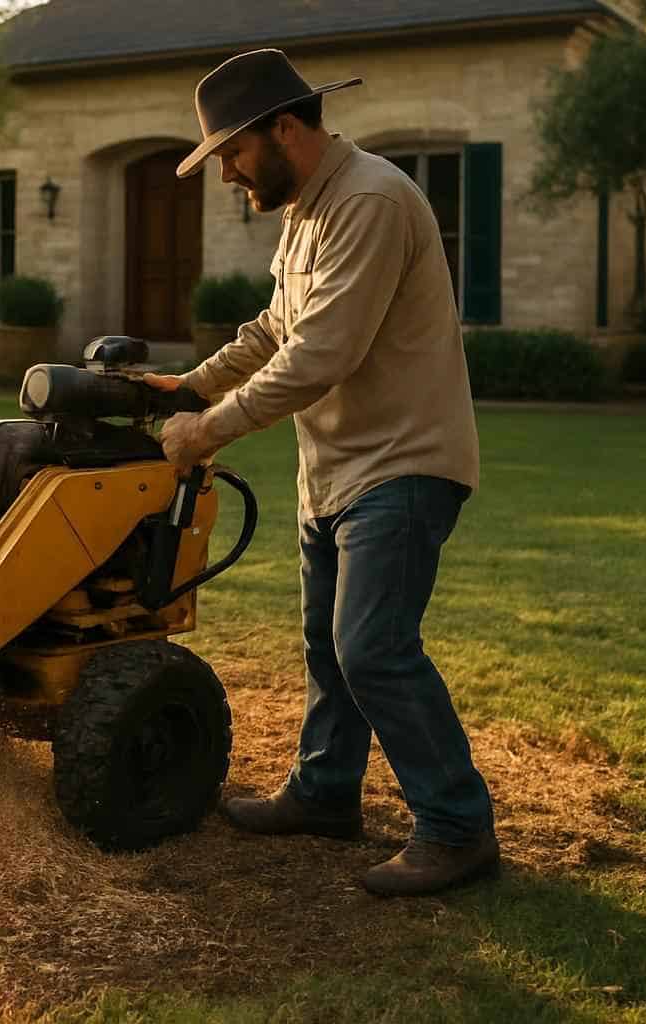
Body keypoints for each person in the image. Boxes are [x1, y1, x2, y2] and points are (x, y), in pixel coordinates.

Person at [144, 49, 497, 897]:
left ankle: (456, 829)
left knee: (372, 647)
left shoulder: (370, 200)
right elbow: (277, 327)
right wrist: (192, 384)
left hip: (402, 463)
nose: (225, 171)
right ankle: (327, 793)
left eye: (231, 151)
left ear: (287, 128)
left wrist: (209, 429)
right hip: (337, 468)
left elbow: (321, 355)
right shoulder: (308, 206)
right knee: (328, 651)